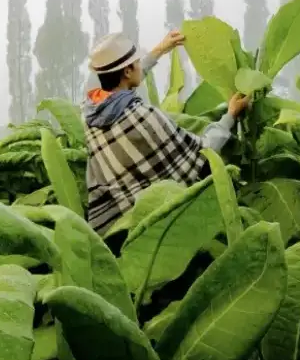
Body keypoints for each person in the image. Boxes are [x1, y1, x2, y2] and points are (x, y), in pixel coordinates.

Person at [83, 29, 250, 236]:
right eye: (135, 62)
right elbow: (202, 151)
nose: (138, 65)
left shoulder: (91, 111)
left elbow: (123, 90)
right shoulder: (143, 117)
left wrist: (159, 50)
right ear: (127, 71)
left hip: (115, 228)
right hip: (152, 224)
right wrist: (230, 116)